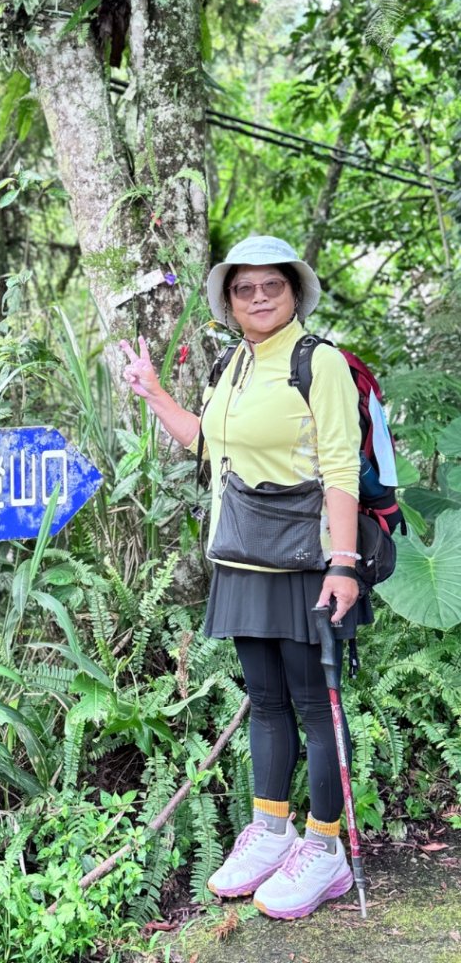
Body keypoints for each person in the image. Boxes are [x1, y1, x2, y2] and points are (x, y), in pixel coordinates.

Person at [119, 235, 367, 920]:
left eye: (271, 285)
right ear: (227, 301)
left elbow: (340, 465)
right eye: (243, 288)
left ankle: (324, 848)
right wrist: (154, 392)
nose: (258, 297)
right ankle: (271, 830)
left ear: (294, 292)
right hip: (240, 553)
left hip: (306, 558)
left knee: (313, 705)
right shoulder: (231, 363)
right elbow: (209, 443)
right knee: (264, 701)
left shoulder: (317, 362)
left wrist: (344, 563)